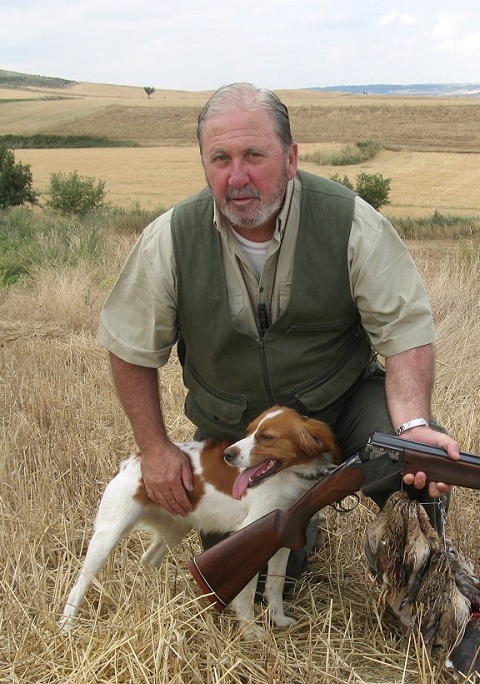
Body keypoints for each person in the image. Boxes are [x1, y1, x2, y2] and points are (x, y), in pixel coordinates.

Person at [97, 82, 459, 556]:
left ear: (290, 159)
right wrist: (155, 448)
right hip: (237, 434)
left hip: (340, 404)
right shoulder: (170, 238)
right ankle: (304, 520)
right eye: (220, 159)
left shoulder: (350, 222)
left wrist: (412, 424)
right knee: (260, 575)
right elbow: (129, 348)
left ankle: (425, 584)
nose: (237, 177)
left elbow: (404, 333)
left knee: (413, 463)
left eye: (254, 156)